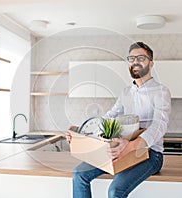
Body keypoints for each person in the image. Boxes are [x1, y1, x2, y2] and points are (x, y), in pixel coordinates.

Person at [66, 42, 171, 198]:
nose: (135, 62)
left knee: (115, 190)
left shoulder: (161, 91)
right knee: (79, 174)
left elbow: (159, 125)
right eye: (131, 58)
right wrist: (81, 131)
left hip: (151, 154)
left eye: (141, 58)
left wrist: (131, 146)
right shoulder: (126, 93)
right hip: (123, 149)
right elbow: (108, 118)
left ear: (151, 63)